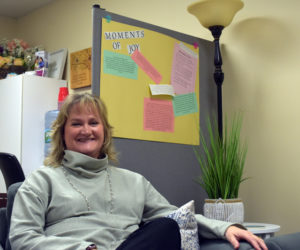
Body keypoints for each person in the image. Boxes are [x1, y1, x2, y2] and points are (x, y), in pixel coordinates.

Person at [9, 93, 267, 250]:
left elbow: (177, 216)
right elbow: (21, 238)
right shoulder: (41, 180)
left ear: (105, 132)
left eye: (93, 122)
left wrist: (225, 228)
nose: (85, 130)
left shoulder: (134, 182)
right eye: (76, 123)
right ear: (62, 134)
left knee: (166, 227)